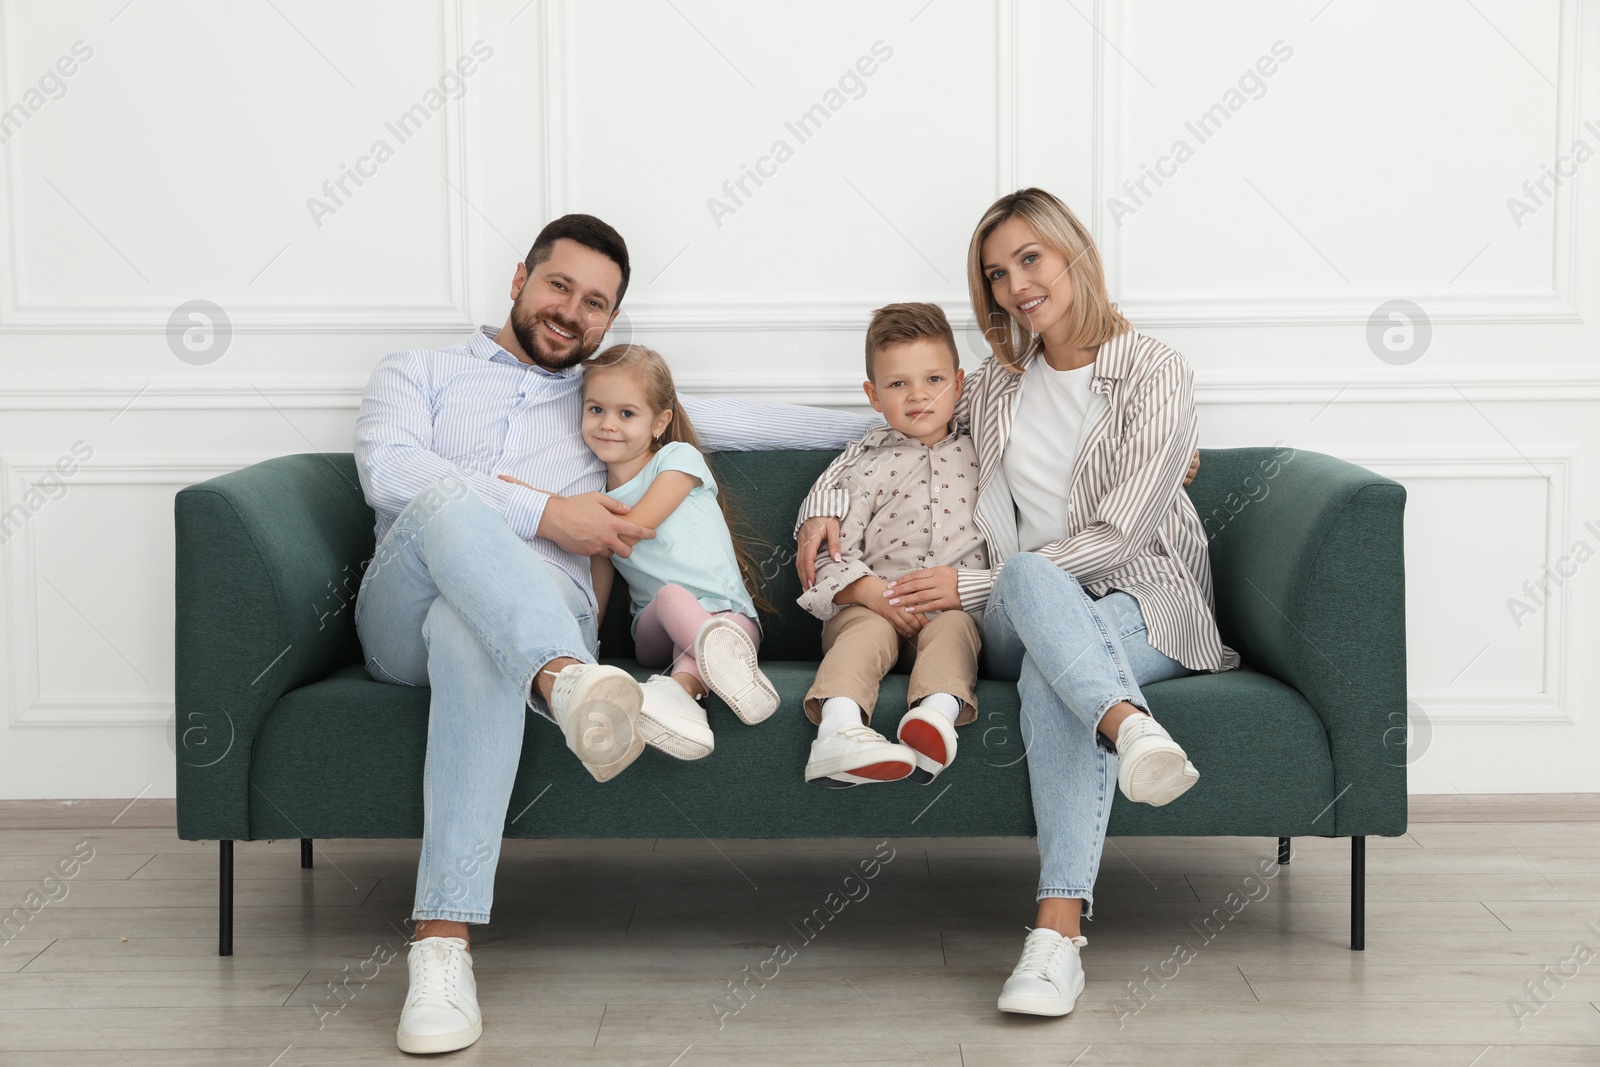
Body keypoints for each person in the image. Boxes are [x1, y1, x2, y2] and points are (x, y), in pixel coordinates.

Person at [353, 214, 876, 1054]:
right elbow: (390, 470)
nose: (573, 311)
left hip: (516, 621)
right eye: (560, 285)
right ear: (520, 277)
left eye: (597, 304)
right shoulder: (418, 371)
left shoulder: (605, 399)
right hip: (401, 612)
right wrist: (543, 510)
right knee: (449, 502)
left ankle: (441, 947)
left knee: (470, 632)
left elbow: (757, 421)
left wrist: (920, 420)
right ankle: (565, 681)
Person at [797, 188, 1236, 1019]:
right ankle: (1132, 728)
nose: (1015, 286)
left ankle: (1055, 935)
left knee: (1046, 658)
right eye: (996, 274)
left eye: (1029, 259)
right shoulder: (997, 382)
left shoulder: (1155, 370)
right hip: (1016, 605)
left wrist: (980, 582)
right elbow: (892, 423)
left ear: (1074, 251)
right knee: (1034, 578)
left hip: (1145, 600)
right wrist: (821, 498)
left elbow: (1120, 532)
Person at [797, 302, 986, 788]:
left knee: (957, 629)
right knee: (865, 634)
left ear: (959, 384)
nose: (918, 395)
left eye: (934, 380)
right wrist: (868, 592)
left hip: (948, 609)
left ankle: (934, 720)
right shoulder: (863, 465)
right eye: (898, 383)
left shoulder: (987, 455)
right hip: (873, 606)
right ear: (874, 395)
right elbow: (828, 549)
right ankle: (838, 732)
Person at [574, 342, 780, 762]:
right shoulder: (596, 502)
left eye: (626, 413)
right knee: (670, 597)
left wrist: (541, 503)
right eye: (596, 409)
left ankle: (682, 699)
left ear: (659, 422)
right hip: (654, 630)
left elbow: (636, 527)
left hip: (730, 619)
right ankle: (727, 668)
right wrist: (583, 647)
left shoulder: (678, 459)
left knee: (697, 639)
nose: (608, 424)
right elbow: (598, 585)